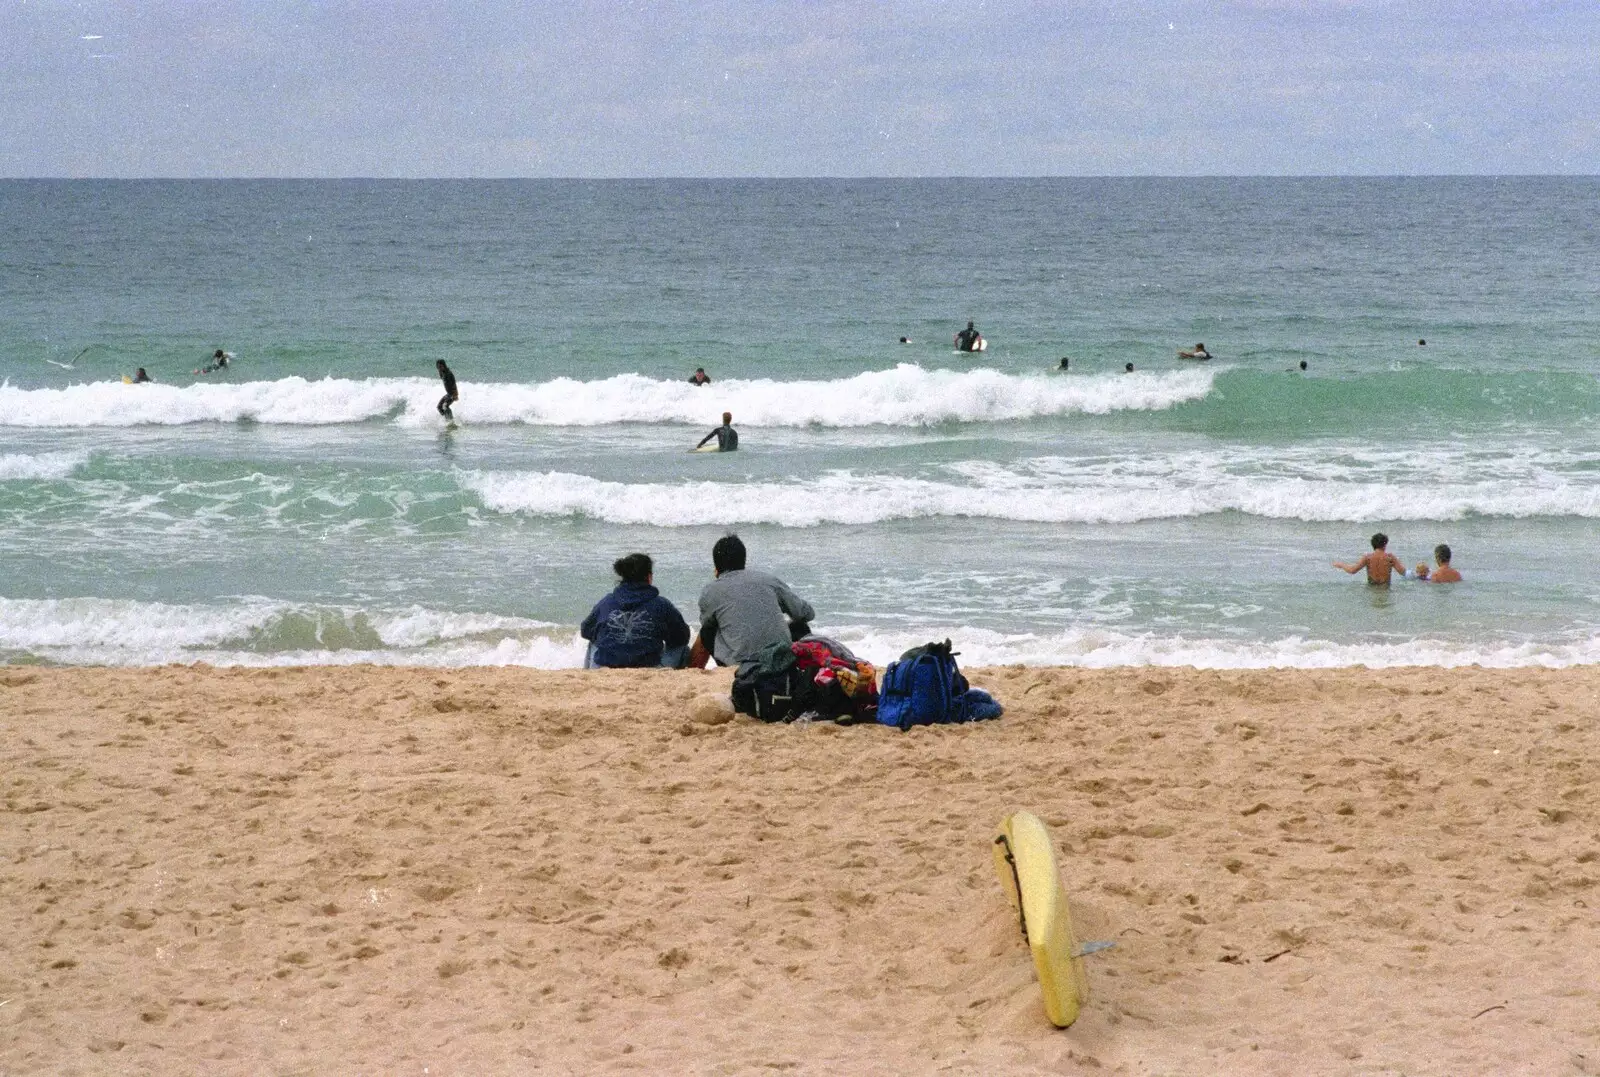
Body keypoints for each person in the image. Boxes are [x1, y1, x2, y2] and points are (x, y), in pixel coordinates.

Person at [688, 534, 814, 672]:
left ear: (716, 567)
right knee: (800, 625)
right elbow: (805, 613)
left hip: (739, 665)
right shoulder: (768, 580)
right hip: (780, 660)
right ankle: (801, 669)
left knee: (707, 630)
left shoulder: (710, 590)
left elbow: (707, 624)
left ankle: (692, 671)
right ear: (744, 561)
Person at [580, 553, 692, 668]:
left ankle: (587, 677)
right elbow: (682, 637)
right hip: (649, 668)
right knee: (682, 648)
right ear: (649, 577)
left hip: (606, 668)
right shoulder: (661, 604)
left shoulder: (606, 602)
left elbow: (585, 631)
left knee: (593, 642)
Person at [1334, 532, 1406, 585]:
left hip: (1372, 589)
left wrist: (1341, 565)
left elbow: (1352, 570)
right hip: (1385, 590)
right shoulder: (1390, 557)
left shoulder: (1367, 557)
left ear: (1373, 545)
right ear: (1385, 544)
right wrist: (1397, 561)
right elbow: (1402, 572)